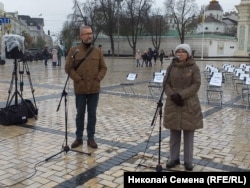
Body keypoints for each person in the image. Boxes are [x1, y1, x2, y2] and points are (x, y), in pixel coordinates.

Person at [65, 25, 107, 149]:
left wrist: (98, 78)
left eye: (90, 33)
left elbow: (103, 67)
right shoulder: (74, 51)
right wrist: (78, 79)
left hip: (94, 89)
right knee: (80, 114)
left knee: (92, 114)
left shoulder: (97, 51)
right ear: (81, 36)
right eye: (86, 34)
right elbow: (68, 68)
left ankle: (91, 138)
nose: (89, 36)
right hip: (80, 89)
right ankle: (79, 138)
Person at [163, 43, 203, 171]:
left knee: (188, 133)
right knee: (174, 132)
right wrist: (173, 95)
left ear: (188, 54)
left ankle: (188, 160)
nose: (180, 53)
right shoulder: (171, 67)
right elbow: (166, 83)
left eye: (183, 51)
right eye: (178, 51)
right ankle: (174, 158)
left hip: (188, 103)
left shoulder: (194, 67)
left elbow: (196, 84)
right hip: (173, 102)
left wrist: (181, 95)